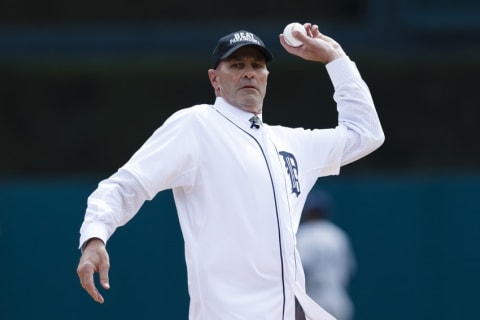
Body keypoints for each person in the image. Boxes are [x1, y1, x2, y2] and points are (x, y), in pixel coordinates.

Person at [76, 23, 384, 320]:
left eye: (257, 64)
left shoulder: (292, 142)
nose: (249, 71)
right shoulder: (197, 125)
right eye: (236, 64)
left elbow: (366, 133)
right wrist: (94, 237)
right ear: (215, 79)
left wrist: (335, 58)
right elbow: (126, 185)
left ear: (266, 76)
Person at [296, 189, 356, 320]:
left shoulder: (303, 235)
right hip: (339, 298)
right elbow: (350, 270)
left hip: (314, 299)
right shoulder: (338, 235)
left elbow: (301, 270)